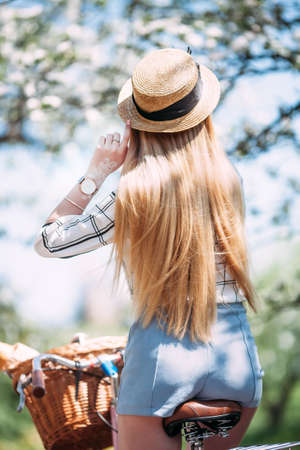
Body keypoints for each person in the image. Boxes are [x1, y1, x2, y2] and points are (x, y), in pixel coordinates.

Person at [34, 48, 263, 450]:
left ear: (136, 125)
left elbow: (48, 243)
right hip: (236, 356)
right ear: (201, 117)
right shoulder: (230, 180)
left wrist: (97, 172)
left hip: (163, 355)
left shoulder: (132, 192)